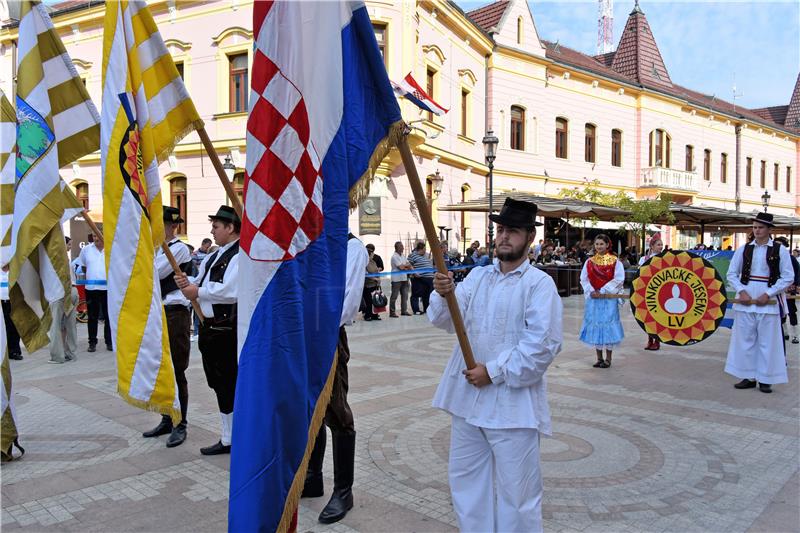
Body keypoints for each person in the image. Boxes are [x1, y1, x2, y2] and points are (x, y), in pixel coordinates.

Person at [428, 198, 562, 533]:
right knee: (466, 483)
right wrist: (445, 293)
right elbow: (446, 320)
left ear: (530, 237)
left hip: (512, 408)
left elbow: (542, 346)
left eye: (512, 231)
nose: (503, 237)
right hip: (468, 402)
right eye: (500, 229)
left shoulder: (539, 285)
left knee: (519, 495)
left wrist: (494, 371)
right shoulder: (478, 276)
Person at [302, 233, 367, 524]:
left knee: (337, 412)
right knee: (310, 410)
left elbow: (348, 303)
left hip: (325, 335)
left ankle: (344, 491)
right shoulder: (309, 242)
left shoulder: (351, 246)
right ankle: (313, 477)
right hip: (302, 335)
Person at [176, 206, 240, 454]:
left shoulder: (240, 255)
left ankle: (232, 438)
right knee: (217, 383)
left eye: (216, 227)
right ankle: (228, 435)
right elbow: (200, 281)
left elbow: (232, 291)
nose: (212, 231)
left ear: (230, 228)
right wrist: (187, 283)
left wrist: (198, 292)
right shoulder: (214, 255)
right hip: (209, 328)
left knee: (228, 384)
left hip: (227, 330)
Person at [725, 213, 793, 394]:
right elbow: (731, 273)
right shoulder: (744, 249)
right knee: (745, 339)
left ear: (770, 230)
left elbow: (788, 276)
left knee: (767, 341)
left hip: (768, 301)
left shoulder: (780, 250)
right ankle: (748, 376)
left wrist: (769, 293)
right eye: (754, 227)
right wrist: (742, 291)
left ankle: (766, 379)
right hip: (746, 300)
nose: (756, 230)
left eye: (760, 227)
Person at [142, 207, 194, 448]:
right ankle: (166, 417)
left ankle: (180, 423)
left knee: (177, 369)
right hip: (158, 312)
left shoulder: (179, 249)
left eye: (164, 225)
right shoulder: (153, 249)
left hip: (175, 314)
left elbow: (152, 273)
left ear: (173, 227)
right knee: (162, 368)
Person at [579, 234, 624, 368]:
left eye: (601, 244)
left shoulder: (615, 262)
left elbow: (619, 279)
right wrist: (591, 290)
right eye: (597, 244)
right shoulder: (589, 262)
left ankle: (608, 358)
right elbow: (584, 278)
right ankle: (599, 358)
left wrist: (603, 291)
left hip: (608, 299)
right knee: (596, 325)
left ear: (607, 245)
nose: (599, 246)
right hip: (594, 299)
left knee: (608, 325)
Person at [76, 234, 111, 352]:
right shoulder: (86, 250)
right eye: (94, 236)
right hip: (91, 288)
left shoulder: (111, 248)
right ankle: (92, 342)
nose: (96, 238)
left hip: (107, 289)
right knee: (92, 317)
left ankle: (109, 342)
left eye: (98, 235)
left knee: (108, 316)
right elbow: (83, 266)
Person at [48, 237, 78, 364]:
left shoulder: (54, 258)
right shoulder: (66, 258)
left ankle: (57, 356)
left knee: (55, 325)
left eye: (71, 244)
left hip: (60, 292)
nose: (70, 247)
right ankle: (71, 353)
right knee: (70, 325)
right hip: (72, 290)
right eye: (69, 244)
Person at [638, 237, 664, 351]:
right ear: (652, 246)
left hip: (660, 290)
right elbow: (640, 274)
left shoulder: (665, 258)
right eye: (658, 245)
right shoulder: (644, 259)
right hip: (647, 290)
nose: (661, 247)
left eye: (661, 245)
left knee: (658, 317)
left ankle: (657, 341)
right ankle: (650, 340)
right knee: (648, 317)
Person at [774, 237, 799, 344]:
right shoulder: (772, 258)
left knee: (791, 311)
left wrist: (795, 285)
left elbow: (797, 273)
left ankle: (795, 335)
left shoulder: (791, 258)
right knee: (780, 311)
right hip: (776, 290)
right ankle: (784, 333)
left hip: (789, 289)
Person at [1, 265, 22, 360]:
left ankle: (14, 351)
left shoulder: (14, 271)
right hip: (1, 303)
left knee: (14, 326)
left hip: (12, 301)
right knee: (3, 328)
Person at [408, 241, 434, 314]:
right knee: (416, 294)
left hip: (429, 278)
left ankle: (427, 309)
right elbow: (409, 265)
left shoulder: (425, 255)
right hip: (419, 278)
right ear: (420, 249)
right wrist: (414, 272)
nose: (425, 251)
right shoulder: (412, 255)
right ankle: (416, 310)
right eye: (424, 249)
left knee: (427, 294)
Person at [389, 241, 412, 317]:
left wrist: (405, 266)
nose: (403, 248)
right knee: (394, 296)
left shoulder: (403, 255)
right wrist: (406, 266)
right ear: (397, 248)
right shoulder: (394, 256)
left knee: (405, 296)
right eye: (401, 246)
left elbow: (409, 265)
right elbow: (401, 267)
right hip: (396, 279)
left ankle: (404, 311)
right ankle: (392, 312)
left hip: (404, 278)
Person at [362, 244, 382, 321]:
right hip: (368, 285)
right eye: (372, 254)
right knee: (369, 301)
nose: (374, 255)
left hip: (375, 284)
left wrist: (378, 279)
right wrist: (375, 278)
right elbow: (365, 274)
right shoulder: (364, 263)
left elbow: (377, 271)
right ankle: (367, 315)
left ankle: (375, 315)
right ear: (369, 255)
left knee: (375, 300)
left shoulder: (373, 262)